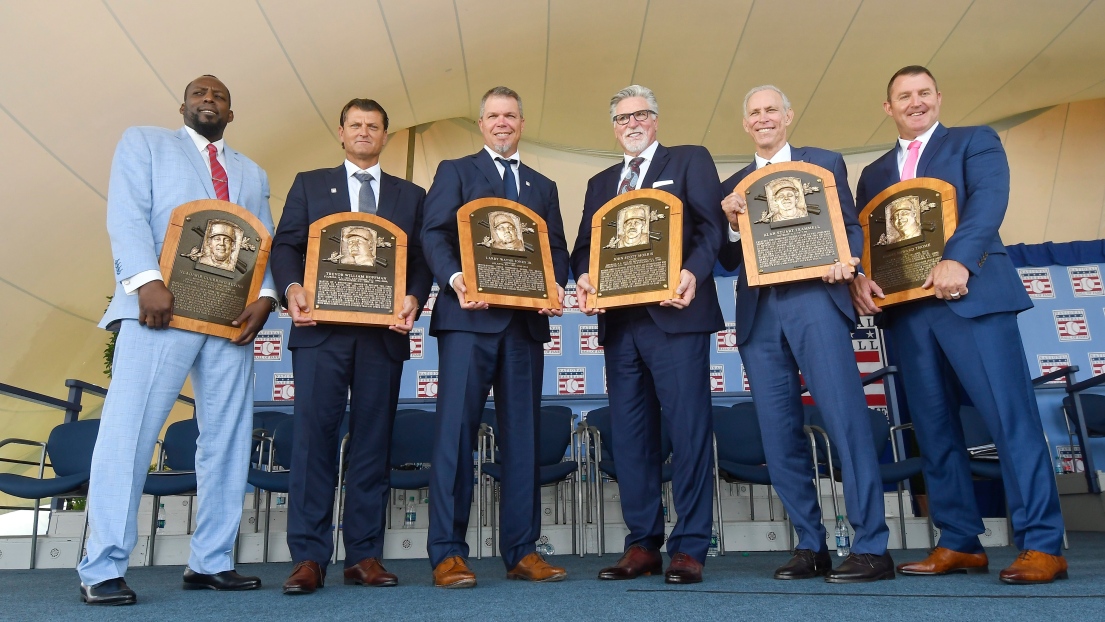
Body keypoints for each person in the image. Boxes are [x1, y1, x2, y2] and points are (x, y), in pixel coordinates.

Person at [851, 65, 1068, 584]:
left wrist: (960, 259)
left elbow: (988, 205)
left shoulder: (975, 141)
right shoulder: (875, 172)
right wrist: (859, 278)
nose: (915, 101)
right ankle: (959, 541)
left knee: (1009, 420)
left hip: (972, 299)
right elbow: (869, 240)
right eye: (904, 95)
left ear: (939, 98)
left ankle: (1043, 543)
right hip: (908, 312)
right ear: (889, 107)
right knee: (934, 430)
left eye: (924, 92)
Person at [78, 75, 277, 605]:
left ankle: (210, 561)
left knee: (228, 440)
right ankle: (102, 568)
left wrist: (270, 296)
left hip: (229, 320)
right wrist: (146, 281)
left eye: (220, 97)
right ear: (184, 104)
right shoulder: (144, 142)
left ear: (231, 114)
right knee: (129, 435)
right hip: (158, 312)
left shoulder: (252, 172)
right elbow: (125, 213)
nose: (209, 100)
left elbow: (263, 238)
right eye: (200, 94)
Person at [717, 85, 894, 583]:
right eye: (754, 112)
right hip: (759, 312)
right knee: (777, 434)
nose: (763, 117)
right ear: (745, 123)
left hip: (817, 298)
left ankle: (871, 547)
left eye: (772, 109)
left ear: (788, 116)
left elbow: (850, 226)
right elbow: (727, 258)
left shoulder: (824, 162)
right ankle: (809, 545)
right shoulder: (733, 182)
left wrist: (851, 261)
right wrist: (731, 222)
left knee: (845, 422)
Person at [270, 98, 432, 594]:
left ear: (385, 136)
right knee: (313, 442)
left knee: (372, 445)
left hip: (382, 338)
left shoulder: (411, 195)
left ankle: (363, 555)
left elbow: (424, 258)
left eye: (374, 127)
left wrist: (413, 296)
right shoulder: (309, 183)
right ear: (341, 133)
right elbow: (285, 245)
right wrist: (292, 288)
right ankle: (309, 557)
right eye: (355, 125)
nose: (364, 133)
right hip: (320, 334)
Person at [571, 84, 725, 585]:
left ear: (656, 119)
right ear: (613, 126)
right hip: (620, 326)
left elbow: (710, 230)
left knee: (688, 431)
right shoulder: (599, 183)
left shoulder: (689, 160)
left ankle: (690, 545)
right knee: (632, 438)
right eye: (621, 118)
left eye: (640, 114)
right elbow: (581, 250)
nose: (631, 123)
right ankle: (642, 543)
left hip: (676, 315)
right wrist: (583, 277)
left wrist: (694, 273)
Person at [421, 86, 570, 588]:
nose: (502, 122)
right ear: (481, 124)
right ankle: (446, 552)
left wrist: (554, 285)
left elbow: (555, 249)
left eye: (510, 115)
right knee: (455, 437)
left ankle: (523, 551)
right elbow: (434, 233)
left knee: (522, 439)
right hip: (468, 320)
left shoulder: (543, 185)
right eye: (492, 116)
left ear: (521, 124)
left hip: (524, 327)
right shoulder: (455, 171)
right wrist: (455, 279)